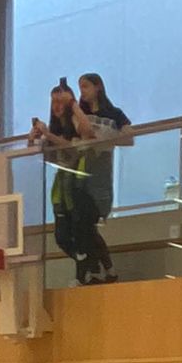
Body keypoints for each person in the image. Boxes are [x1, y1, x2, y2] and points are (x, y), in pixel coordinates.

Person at [32, 82, 106, 284]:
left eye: (61, 101)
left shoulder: (75, 122)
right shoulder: (54, 129)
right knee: (62, 236)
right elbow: (45, 157)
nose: (57, 106)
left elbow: (81, 141)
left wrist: (73, 105)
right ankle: (86, 262)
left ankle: (92, 272)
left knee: (83, 232)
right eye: (53, 102)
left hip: (80, 184)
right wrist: (34, 139)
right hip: (62, 187)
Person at [77, 72, 130, 286]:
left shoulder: (114, 113)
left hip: (101, 174)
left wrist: (108, 138)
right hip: (81, 172)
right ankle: (99, 269)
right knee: (83, 226)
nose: (82, 91)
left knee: (90, 225)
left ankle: (101, 269)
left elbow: (130, 137)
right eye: (80, 87)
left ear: (98, 86)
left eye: (86, 86)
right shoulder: (79, 112)